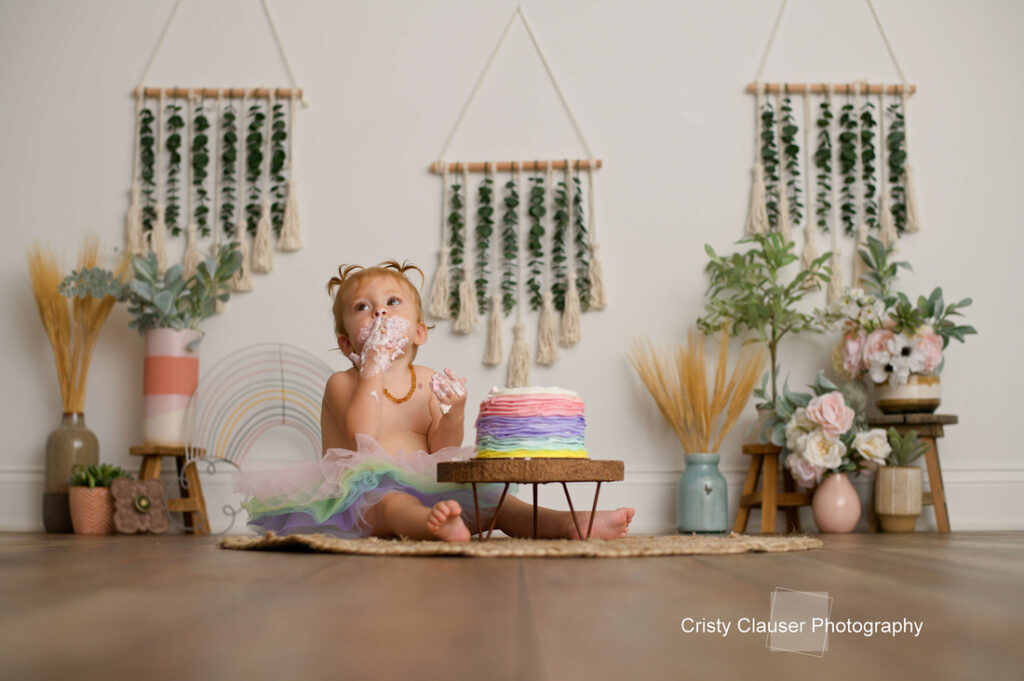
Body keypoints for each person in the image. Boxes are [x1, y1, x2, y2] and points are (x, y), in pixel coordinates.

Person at [236, 260, 634, 542]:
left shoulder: (425, 381)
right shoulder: (342, 382)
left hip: (426, 481)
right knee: (391, 504)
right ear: (345, 343)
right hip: (357, 494)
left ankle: (568, 523)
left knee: (500, 504)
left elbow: (442, 449)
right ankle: (432, 524)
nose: (379, 311)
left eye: (393, 303)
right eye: (362, 308)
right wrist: (371, 366)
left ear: (419, 333)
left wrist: (454, 410)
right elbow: (362, 437)